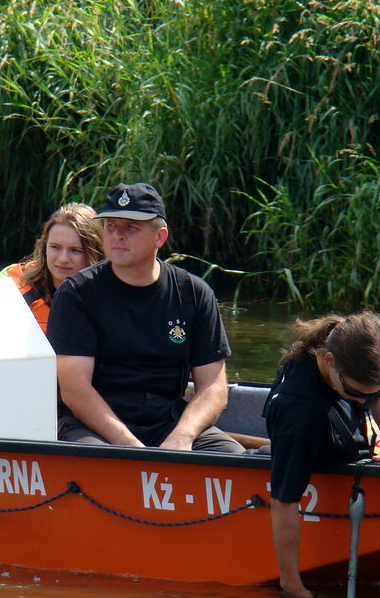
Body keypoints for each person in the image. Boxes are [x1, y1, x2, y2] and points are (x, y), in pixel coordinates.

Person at [46, 182, 244, 453]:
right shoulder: (77, 294)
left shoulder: (194, 294)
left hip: (168, 423)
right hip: (91, 426)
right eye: (111, 227)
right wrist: (134, 449)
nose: (118, 236)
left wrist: (183, 437)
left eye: (131, 228)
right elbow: (75, 391)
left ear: (160, 237)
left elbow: (213, 387)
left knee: (232, 457)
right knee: (96, 460)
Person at [264, 311, 380, 598]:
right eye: (356, 393)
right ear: (329, 361)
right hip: (313, 449)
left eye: (371, 394)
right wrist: (292, 584)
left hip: (351, 445)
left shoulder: (351, 354)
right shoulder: (301, 414)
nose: (363, 401)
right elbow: (284, 501)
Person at [0, 203, 104, 332]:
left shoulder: (109, 298)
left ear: (95, 253)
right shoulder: (11, 282)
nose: (63, 259)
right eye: (55, 247)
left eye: (75, 250)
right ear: (45, 248)